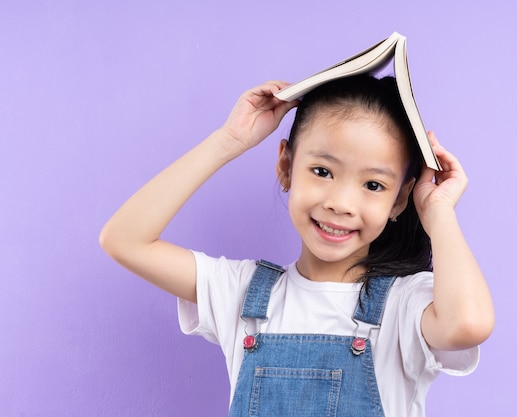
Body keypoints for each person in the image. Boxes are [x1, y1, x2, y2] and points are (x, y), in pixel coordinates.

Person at [100, 74, 495, 417]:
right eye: (322, 171)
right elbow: (124, 240)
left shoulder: (405, 306)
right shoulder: (242, 293)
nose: (340, 202)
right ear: (286, 166)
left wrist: (438, 210)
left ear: (399, 200)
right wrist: (230, 140)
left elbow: (468, 324)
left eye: (373, 185)